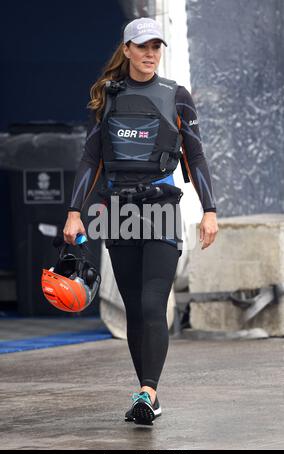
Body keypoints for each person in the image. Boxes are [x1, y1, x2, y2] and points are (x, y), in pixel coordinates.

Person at [63, 17, 218, 426]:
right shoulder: (109, 97)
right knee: (135, 309)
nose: (151, 54)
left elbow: (195, 156)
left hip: (162, 208)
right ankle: (146, 393)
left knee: (153, 303)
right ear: (127, 50)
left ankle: (148, 392)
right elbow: (91, 159)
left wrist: (210, 210)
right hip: (119, 213)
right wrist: (75, 211)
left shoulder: (176, 96)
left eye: (156, 47)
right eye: (142, 47)